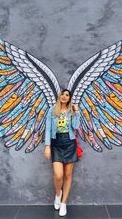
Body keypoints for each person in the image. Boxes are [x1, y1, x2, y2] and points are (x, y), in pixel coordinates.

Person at [44, 88, 81, 217]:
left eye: (67, 95)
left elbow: (76, 127)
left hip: (69, 143)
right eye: (63, 94)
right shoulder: (52, 110)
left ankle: (64, 203)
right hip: (56, 143)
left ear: (69, 98)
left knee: (68, 175)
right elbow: (48, 128)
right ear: (59, 96)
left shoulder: (71, 111)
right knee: (58, 175)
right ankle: (58, 195)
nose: (64, 96)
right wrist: (47, 146)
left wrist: (77, 112)